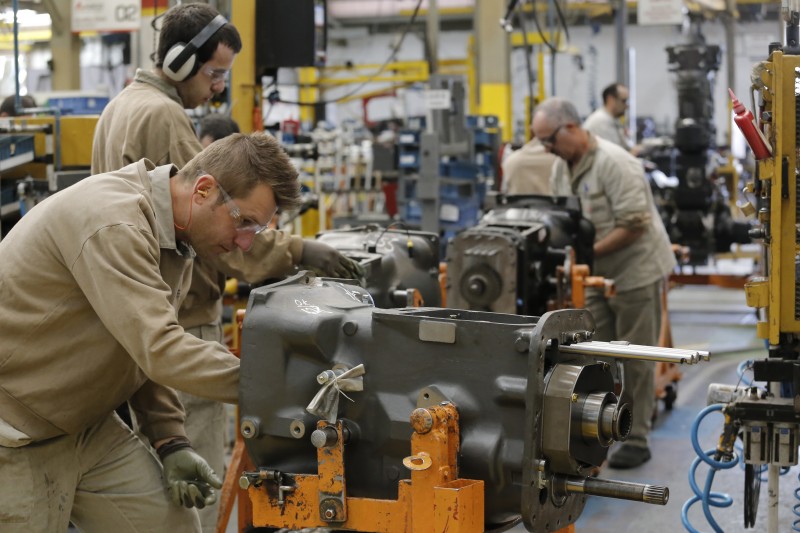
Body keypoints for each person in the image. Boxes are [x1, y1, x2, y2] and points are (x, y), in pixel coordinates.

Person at [91, 5, 361, 531]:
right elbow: (218, 227)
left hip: (137, 313)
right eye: (214, 73)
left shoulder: (121, 105)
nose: (218, 89)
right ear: (176, 61)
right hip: (182, 318)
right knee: (200, 480)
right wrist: (299, 253)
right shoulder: (163, 115)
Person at [0, 132, 300, 531]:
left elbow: (135, 345)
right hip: (16, 431)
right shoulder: (115, 224)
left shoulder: (176, 236)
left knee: (172, 525)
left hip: (85, 425)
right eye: (244, 221)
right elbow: (160, 349)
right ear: (204, 190)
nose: (245, 243)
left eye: (256, 230)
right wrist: (284, 384)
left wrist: (169, 438)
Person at [533, 97, 676, 469]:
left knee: (638, 357)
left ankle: (638, 436)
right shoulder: (561, 168)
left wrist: (587, 255)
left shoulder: (615, 163)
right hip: (595, 274)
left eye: (549, 140)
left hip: (635, 271)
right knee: (590, 352)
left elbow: (634, 223)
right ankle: (594, 429)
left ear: (571, 128)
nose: (547, 149)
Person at [582, 83, 632, 152]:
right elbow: (615, 154)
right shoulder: (600, 121)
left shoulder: (610, 119)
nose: (627, 106)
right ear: (610, 99)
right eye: (624, 101)